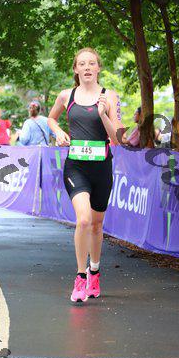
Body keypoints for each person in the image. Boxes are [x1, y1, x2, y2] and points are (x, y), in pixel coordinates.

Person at [48, 47, 124, 303]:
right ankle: (80, 278)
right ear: (76, 69)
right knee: (83, 220)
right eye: (82, 63)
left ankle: (94, 272)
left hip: (101, 168)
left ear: (98, 68)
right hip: (76, 167)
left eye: (92, 63)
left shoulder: (110, 96)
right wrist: (58, 132)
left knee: (97, 225)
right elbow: (51, 119)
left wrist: (103, 114)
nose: (87, 67)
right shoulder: (66, 95)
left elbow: (117, 139)